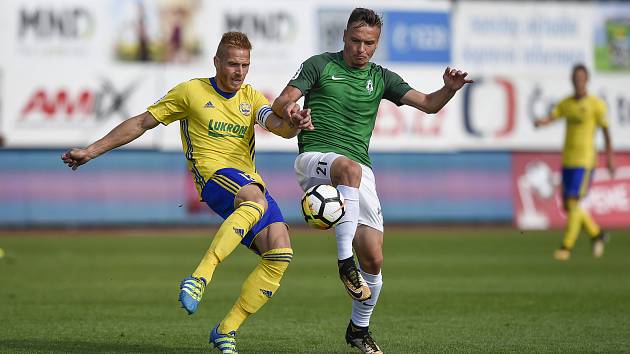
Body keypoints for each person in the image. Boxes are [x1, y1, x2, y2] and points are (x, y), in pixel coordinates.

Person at [61, 31, 312, 353]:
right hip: (213, 179)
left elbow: (277, 126)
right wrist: (92, 151)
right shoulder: (191, 91)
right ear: (216, 62)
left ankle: (226, 330)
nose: (239, 72)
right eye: (233, 64)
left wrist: (294, 120)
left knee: (280, 252)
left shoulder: (251, 97)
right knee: (256, 201)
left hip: (249, 181)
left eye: (245, 65)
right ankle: (200, 277)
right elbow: (142, 123)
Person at [272, 8, 472, 354]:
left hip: (358, 172)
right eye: (355, 40)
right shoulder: (320, 65)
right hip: (315, 160)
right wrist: (292, 111)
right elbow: (282, 101)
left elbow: (427, 104)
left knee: (375, 260)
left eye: (369, 43)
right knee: (350, 170)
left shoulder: (382, 78)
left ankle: (358, 330)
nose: (361, 48)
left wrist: (449, 89)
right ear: (344, 37)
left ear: (376, 45)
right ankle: (343, 262)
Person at [534, 63, 614, 261]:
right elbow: (552, 116)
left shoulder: (596, 104)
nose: (578, 81)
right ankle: (597, 234)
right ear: (572, 80)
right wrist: (541, 122)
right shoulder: (566, 103)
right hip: (568, 159)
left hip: (585, 161)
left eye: (582, 78)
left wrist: (610, 157)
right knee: (569, 207)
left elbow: (606, 131)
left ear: (587, 80)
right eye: (575, 78)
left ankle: (566, 247)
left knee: (573, 202)